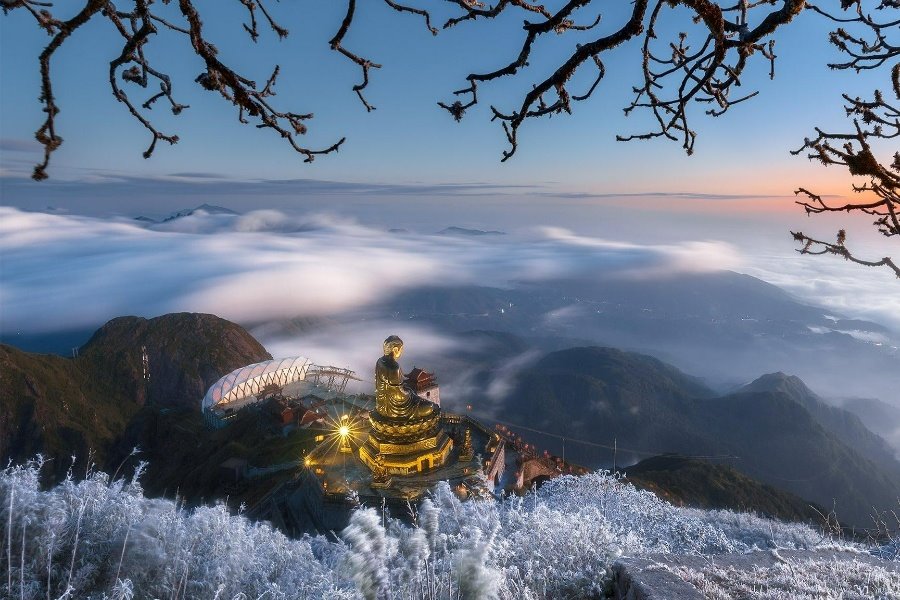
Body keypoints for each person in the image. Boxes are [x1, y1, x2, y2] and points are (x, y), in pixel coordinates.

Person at [375, 335, 434, 420]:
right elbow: (398, 395)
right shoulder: (394, 367)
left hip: (381, 406)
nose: (401, 352)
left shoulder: (380, 361)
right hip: (392, 409)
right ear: (395, 349)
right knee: (429, 407)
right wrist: (409, 393)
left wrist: (407, 390)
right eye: (401, 349)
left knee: (409, 390)